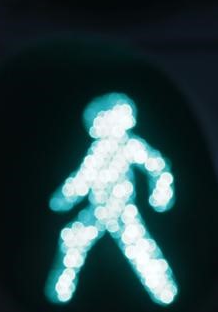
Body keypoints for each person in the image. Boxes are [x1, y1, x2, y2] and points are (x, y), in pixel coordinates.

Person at [45, 93, 178, 306]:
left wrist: (161, 194)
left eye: (103, 119)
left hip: (122, 210)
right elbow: (84, 177)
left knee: (141, 249)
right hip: (97, 209)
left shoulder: (131, 145)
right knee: (73, 240)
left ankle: (165, 293)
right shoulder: (97, 149)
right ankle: (60, 292)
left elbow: (157, 166)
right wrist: (64, 198)